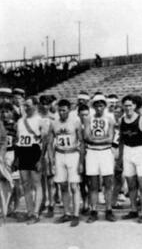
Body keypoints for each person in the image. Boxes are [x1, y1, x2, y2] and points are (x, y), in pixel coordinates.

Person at [48, 99, 84, 227]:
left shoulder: (75, 121)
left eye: (64, 110)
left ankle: (76, 214)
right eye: (60, 110)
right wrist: (51, 158)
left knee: (74, 186)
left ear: (69, 110)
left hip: (73, 154)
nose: (61, 113)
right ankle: (66, 213)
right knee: (62, 185)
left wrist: (81, 161)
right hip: (59, 155)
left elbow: (82, 142)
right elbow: (50, 142)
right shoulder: (54, 123)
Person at [119, 95, 142, 224]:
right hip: (128, 151)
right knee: (131, 183)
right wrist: (120, 158)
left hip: (140, 151)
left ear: (135, 106)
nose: (127, 108)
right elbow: (121, 140)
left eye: (130, 105)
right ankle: (133, 209)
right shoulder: (121, 120)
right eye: (125, 105)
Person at [83, 93, 116, 223]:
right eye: (96, 105)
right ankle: (94, 210)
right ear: (93, 106)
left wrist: (95, 140)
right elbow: (87, 137)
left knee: (108, 182)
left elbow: (110, 139)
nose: (99, 108)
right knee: (93, 184)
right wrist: (99, 141)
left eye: (101, 105)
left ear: (105, 106)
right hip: (92, 153)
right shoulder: (88, 119)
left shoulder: (110, 119)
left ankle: (108, 210)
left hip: (106, 152)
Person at [16, 96, 49, 224]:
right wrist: (17, 158)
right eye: (25, 105)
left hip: (35, 152)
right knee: (25, 184)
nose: (26, 108)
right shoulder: (20, 121)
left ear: (35, 105)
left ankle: (35, 213)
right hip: (23, 152)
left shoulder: (41, 121)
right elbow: (18, 140)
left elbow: (45, 143)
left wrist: (41, 159)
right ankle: (29, 212)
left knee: (36, 183)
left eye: (28, 105)